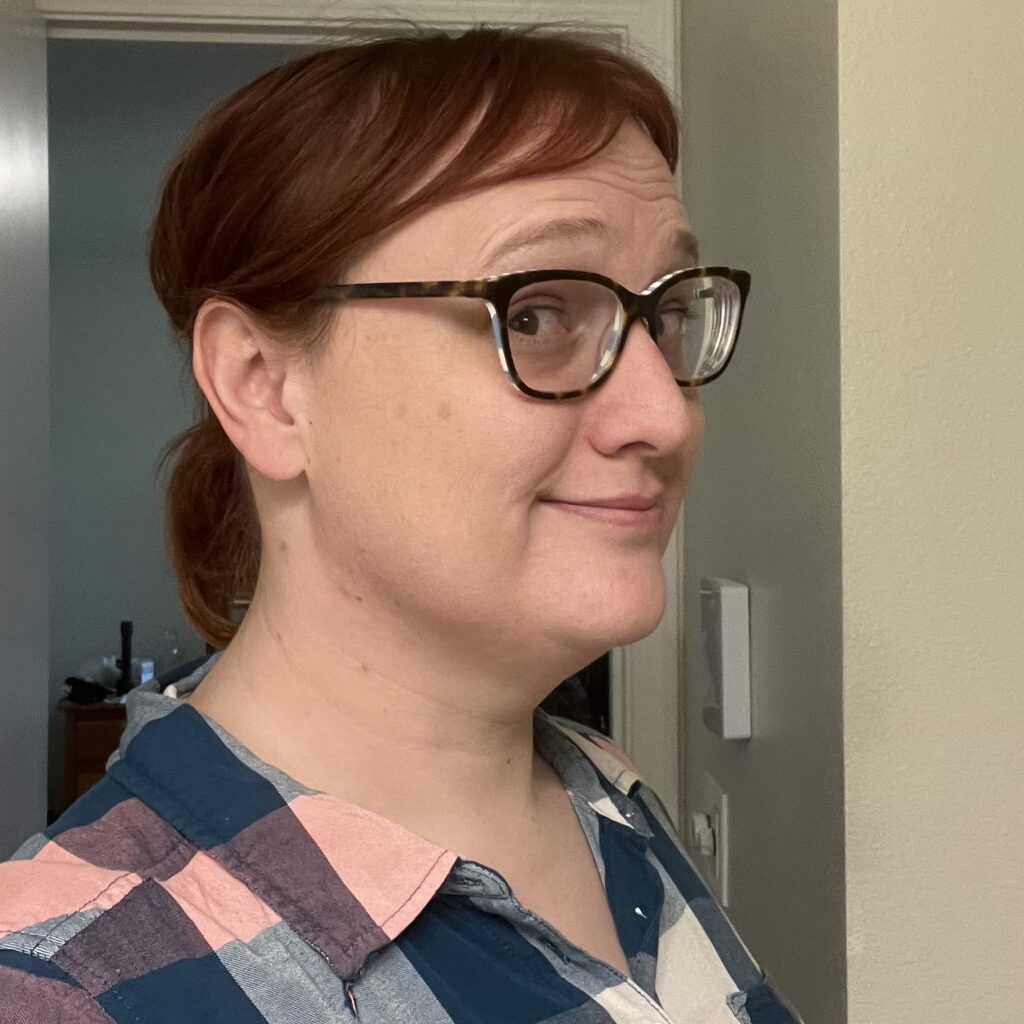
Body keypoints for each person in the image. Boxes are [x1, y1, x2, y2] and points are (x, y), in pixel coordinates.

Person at [0, 26, 800, 1024]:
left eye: (666, 316)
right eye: (538, 315)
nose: (665, 414)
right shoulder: (65, 986)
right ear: (267, 387)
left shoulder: (606, 797)